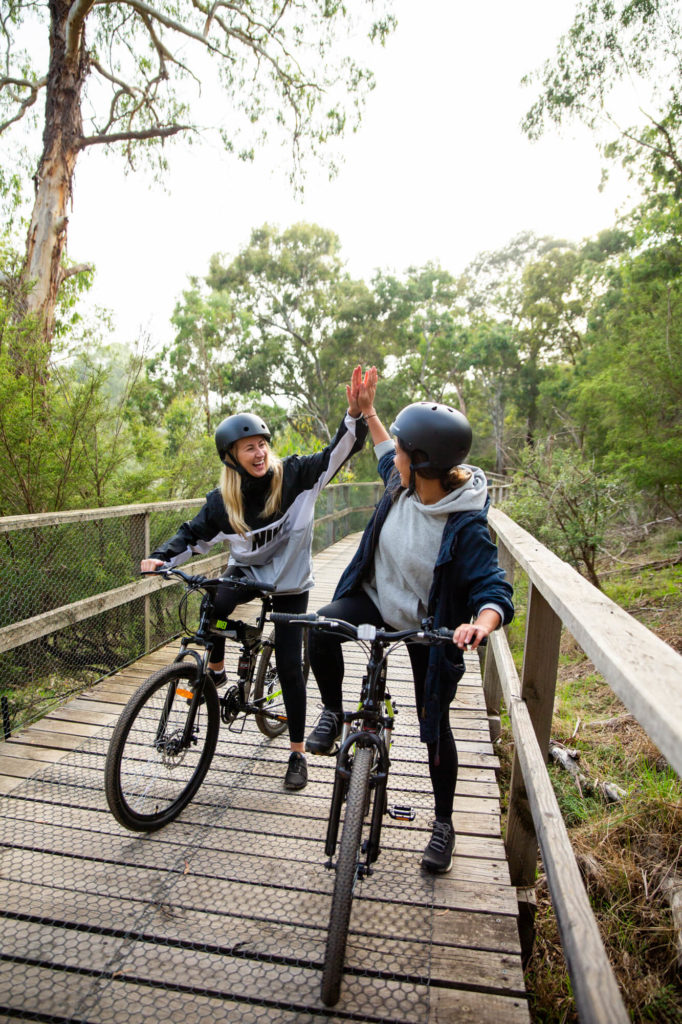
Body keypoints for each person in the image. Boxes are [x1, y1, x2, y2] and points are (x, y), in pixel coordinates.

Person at [305, 371, 514, 873]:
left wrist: (480, 626)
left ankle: (444, 823)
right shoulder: (402, 484)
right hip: (375, 602)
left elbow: (494, 590)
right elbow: (382, 448)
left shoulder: (465, 526)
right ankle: (334, 713)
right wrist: (370, 410)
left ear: (420, 462)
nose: (390, 456)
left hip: (431, 627)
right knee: (321, 628)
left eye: (400, 450)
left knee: (434, 726)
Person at [141, 366, 372, 792]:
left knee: (288, 663)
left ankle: (298, 753)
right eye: (249, 448)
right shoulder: (222, 503)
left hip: (289, 583)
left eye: (263, 444)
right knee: (213, 602)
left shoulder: (297, 476)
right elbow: (192, 535)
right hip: (247, 573)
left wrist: (354, 417)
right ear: (232, 457)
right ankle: (216, 666)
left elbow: (338, 452)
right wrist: (160, 558)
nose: (260, 452)